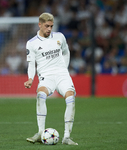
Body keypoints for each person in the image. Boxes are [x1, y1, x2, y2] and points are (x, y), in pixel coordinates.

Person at [24, 12, 78, 145]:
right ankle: (40, 132)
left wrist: (64, 68)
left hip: (62, 75)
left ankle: (66, 137)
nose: (49, 29)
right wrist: (30, 78)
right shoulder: (32, 43)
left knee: (70, 97)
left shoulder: (60, 37)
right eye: (47, 26)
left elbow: (66, 52)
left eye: (51, 26)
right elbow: (31, 64)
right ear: (40, 25)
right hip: (46, 76)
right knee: (40, 95)